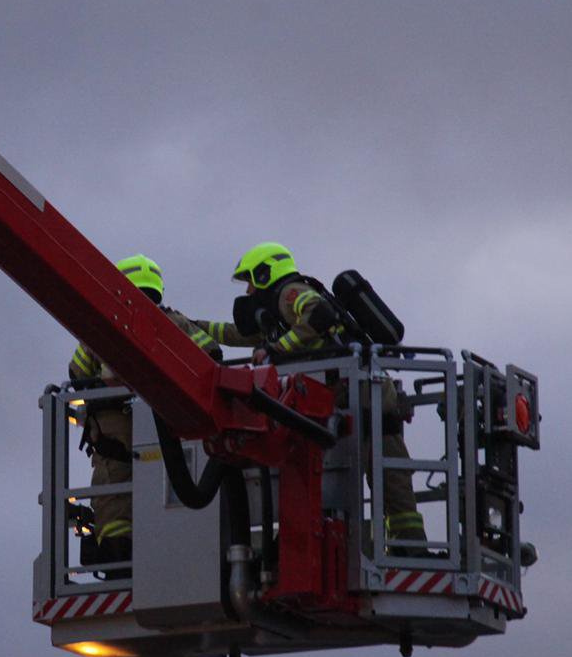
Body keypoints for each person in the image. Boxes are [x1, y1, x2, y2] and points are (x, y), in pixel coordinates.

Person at [195, 241, 428, 549]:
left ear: (266, 273)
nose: (249, 290)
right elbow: (237, 334)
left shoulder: (290, 293)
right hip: (344, 397)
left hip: (366, 395)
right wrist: (194, 326)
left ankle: (410, 547)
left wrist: (276, 350)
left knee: (390, 479)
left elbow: (318, 313)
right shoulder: (276, 313)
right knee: (335, 477)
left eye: (251, 279)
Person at [69, 254, 220, 572]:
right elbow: (211, 354)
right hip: (172, 425)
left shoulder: (102, 323)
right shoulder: (173, 322)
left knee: (113, 493)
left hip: (115, 428)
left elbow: (78, 372)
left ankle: (118, 561)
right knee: (167, 488)